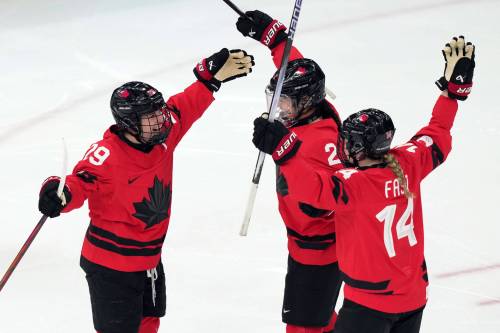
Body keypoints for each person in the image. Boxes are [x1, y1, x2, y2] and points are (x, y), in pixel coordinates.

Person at [251, 36, 475, 333]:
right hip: (414, 298)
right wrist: (452, 94)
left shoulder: (355, 185)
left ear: (358, 148)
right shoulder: (409, 161)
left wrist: (283, 149)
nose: (339, 145)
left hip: (370, 304)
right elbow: (437, 132)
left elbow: (312, 190)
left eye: (346, 141)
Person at [37, 48, 254, 333]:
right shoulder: (107, 154)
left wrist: (208, 80)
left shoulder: (163, 136)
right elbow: (78, 182)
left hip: (149, 260)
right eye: (150, 118)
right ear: (128, 122)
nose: (161, 121)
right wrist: (57, 192)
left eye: (159, 113)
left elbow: (184, 107)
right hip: (111, 267)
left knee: (149, 324)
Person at [236, 10, 343, 333]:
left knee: (303, 327)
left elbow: (333, 197)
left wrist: (285, 153)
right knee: (319, 317)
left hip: (320, 251)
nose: (277, 107)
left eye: (283, 101)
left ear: (306, 102)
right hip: (303, 245)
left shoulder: (323, 142)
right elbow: (295, 67)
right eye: (274, 98)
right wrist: (275, 37)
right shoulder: (313, 109)